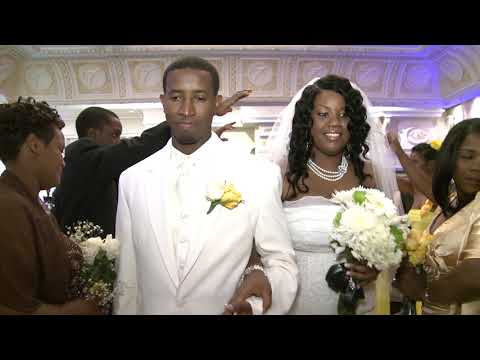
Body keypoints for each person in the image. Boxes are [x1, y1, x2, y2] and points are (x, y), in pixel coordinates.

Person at [113, 56, 298, 315]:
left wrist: (254, 306)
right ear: (163, 103)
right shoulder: (132, 179)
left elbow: (281, 261)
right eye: (176, 98)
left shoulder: (259, 174)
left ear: (216, 103)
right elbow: (127, 277)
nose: (186, 110)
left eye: (199, 98)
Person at [265, 75, 402, 314]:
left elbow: (394, 243)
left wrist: (376, 265)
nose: (334, 123)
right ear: (307, 121)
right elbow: (257, 244)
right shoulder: (283, 174)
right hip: (297, 301)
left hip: (359, 301)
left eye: (343, 114)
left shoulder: (370, 175)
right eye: (323, 114)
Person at [53, 91, 250, 237]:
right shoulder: (83, 158)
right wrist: (200, 113)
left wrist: (201, 140)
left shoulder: (97, 168)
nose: (118, 141)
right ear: (92, 133)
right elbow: (140, 147)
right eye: (114, 134)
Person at [0, 97, 101, 315]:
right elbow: (11, 305)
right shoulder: (9, 207)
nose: (63, 161)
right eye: (59, 150)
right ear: (34, 145)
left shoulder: (28, 200)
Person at [394, 118, 480, 315]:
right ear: (450, 158)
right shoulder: (452, 198)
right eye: (468, 156)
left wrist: (424, 292)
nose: (478, 166)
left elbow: (475, 275)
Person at [387, 136, 438, 211]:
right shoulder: (413, 187)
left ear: (430, 164)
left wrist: (398, 149)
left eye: (415, 161)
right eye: (409, 161)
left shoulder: (441, 191)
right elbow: (382, 178)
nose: (409, 165)